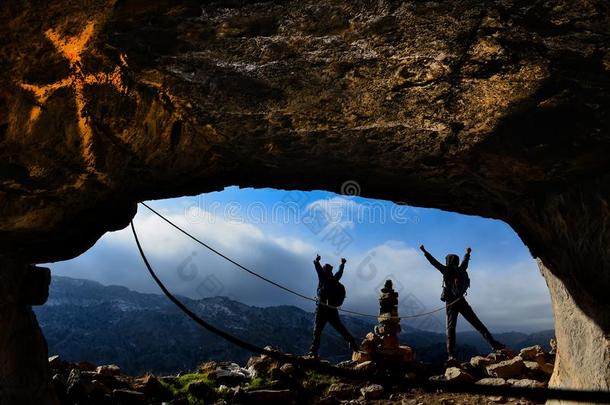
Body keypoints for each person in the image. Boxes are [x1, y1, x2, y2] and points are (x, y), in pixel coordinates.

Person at [419, 245, 506, 363]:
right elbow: (465, 262)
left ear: (448, 261)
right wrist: (468, 253)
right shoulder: (461, 269)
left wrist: (424, 251)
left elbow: (433, 262)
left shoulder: (446, 270)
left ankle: (451, 355)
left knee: (451, 328)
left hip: (451, 303)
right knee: (477, 323)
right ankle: (494, 343)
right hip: (461, 300)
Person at [307, 255, 359, 358]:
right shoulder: (334, 279)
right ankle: (353, 344)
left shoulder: (323, 278)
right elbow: (340, 273)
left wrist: (317, 261)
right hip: (332, 309)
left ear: (325, 270)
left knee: (317, 331)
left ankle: (313, 352)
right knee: (340, 328)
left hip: (322, 309)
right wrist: (342, 264)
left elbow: (318, 270)